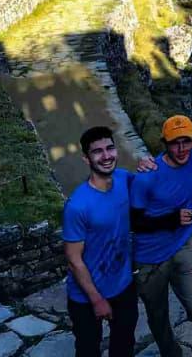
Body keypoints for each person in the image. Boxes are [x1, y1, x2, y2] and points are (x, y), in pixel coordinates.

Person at [131, 115, 192, 357]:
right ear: (165, 143)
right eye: (175, 143)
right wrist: (170, 220)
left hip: (183, 247)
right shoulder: (147, 176)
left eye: (187, 141)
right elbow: (134, 221)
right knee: (158, 315)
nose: (182, 148)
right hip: (150, 257)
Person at [63, 127, 138, 357]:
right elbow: (74, 260)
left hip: (123, 285)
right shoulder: (78, 205)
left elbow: (155, 185)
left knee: (124, 345)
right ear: (86, 158)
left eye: (110, 148)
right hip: (86, 296)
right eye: (97, 152)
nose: (106, 156)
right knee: (87, 350)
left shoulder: (125, 179)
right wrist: (97, 300)